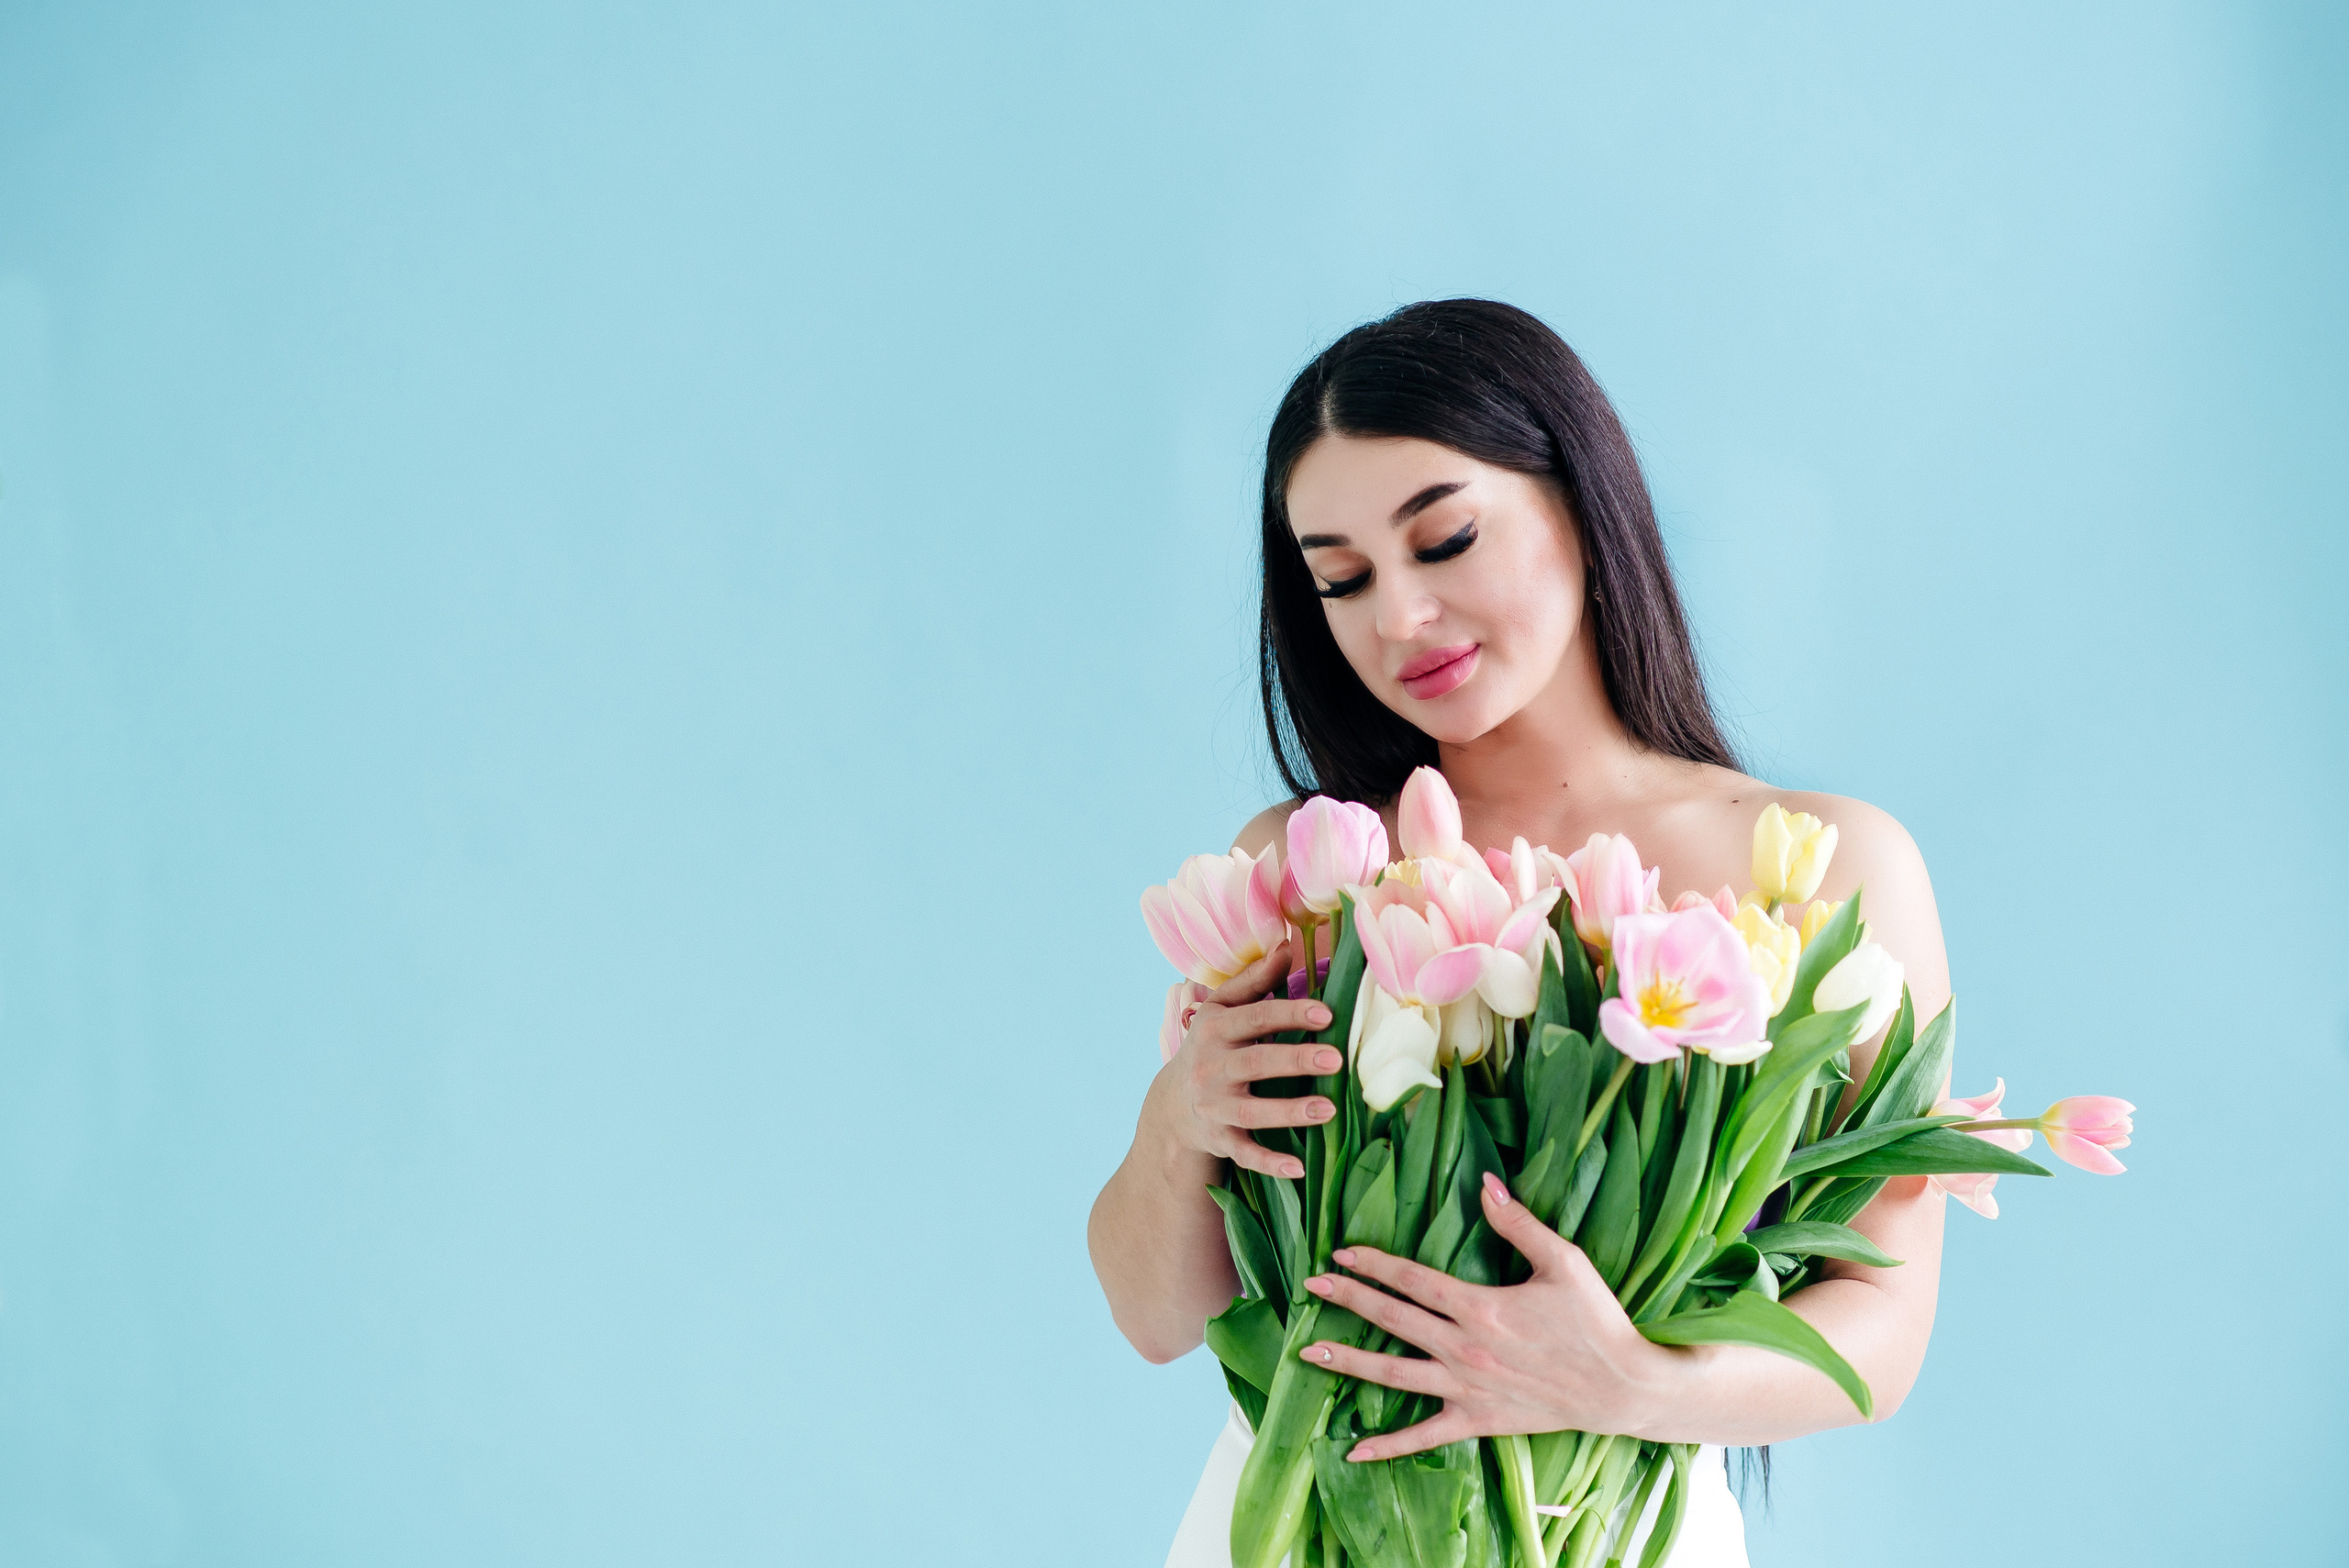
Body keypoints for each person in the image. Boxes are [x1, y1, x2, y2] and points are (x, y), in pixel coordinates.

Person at [1086, 299, 1950, 1567]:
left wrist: (1622, 1381)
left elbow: (1885, 1325)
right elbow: (1154, 1316)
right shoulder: (1314, 870)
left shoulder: (1822, 869)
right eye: (1342, 578)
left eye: (1444, 540)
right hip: (1290, 1529)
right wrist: (1180, 1124)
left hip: (1621, 1533)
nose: (1398, 616)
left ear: (1581, 505)